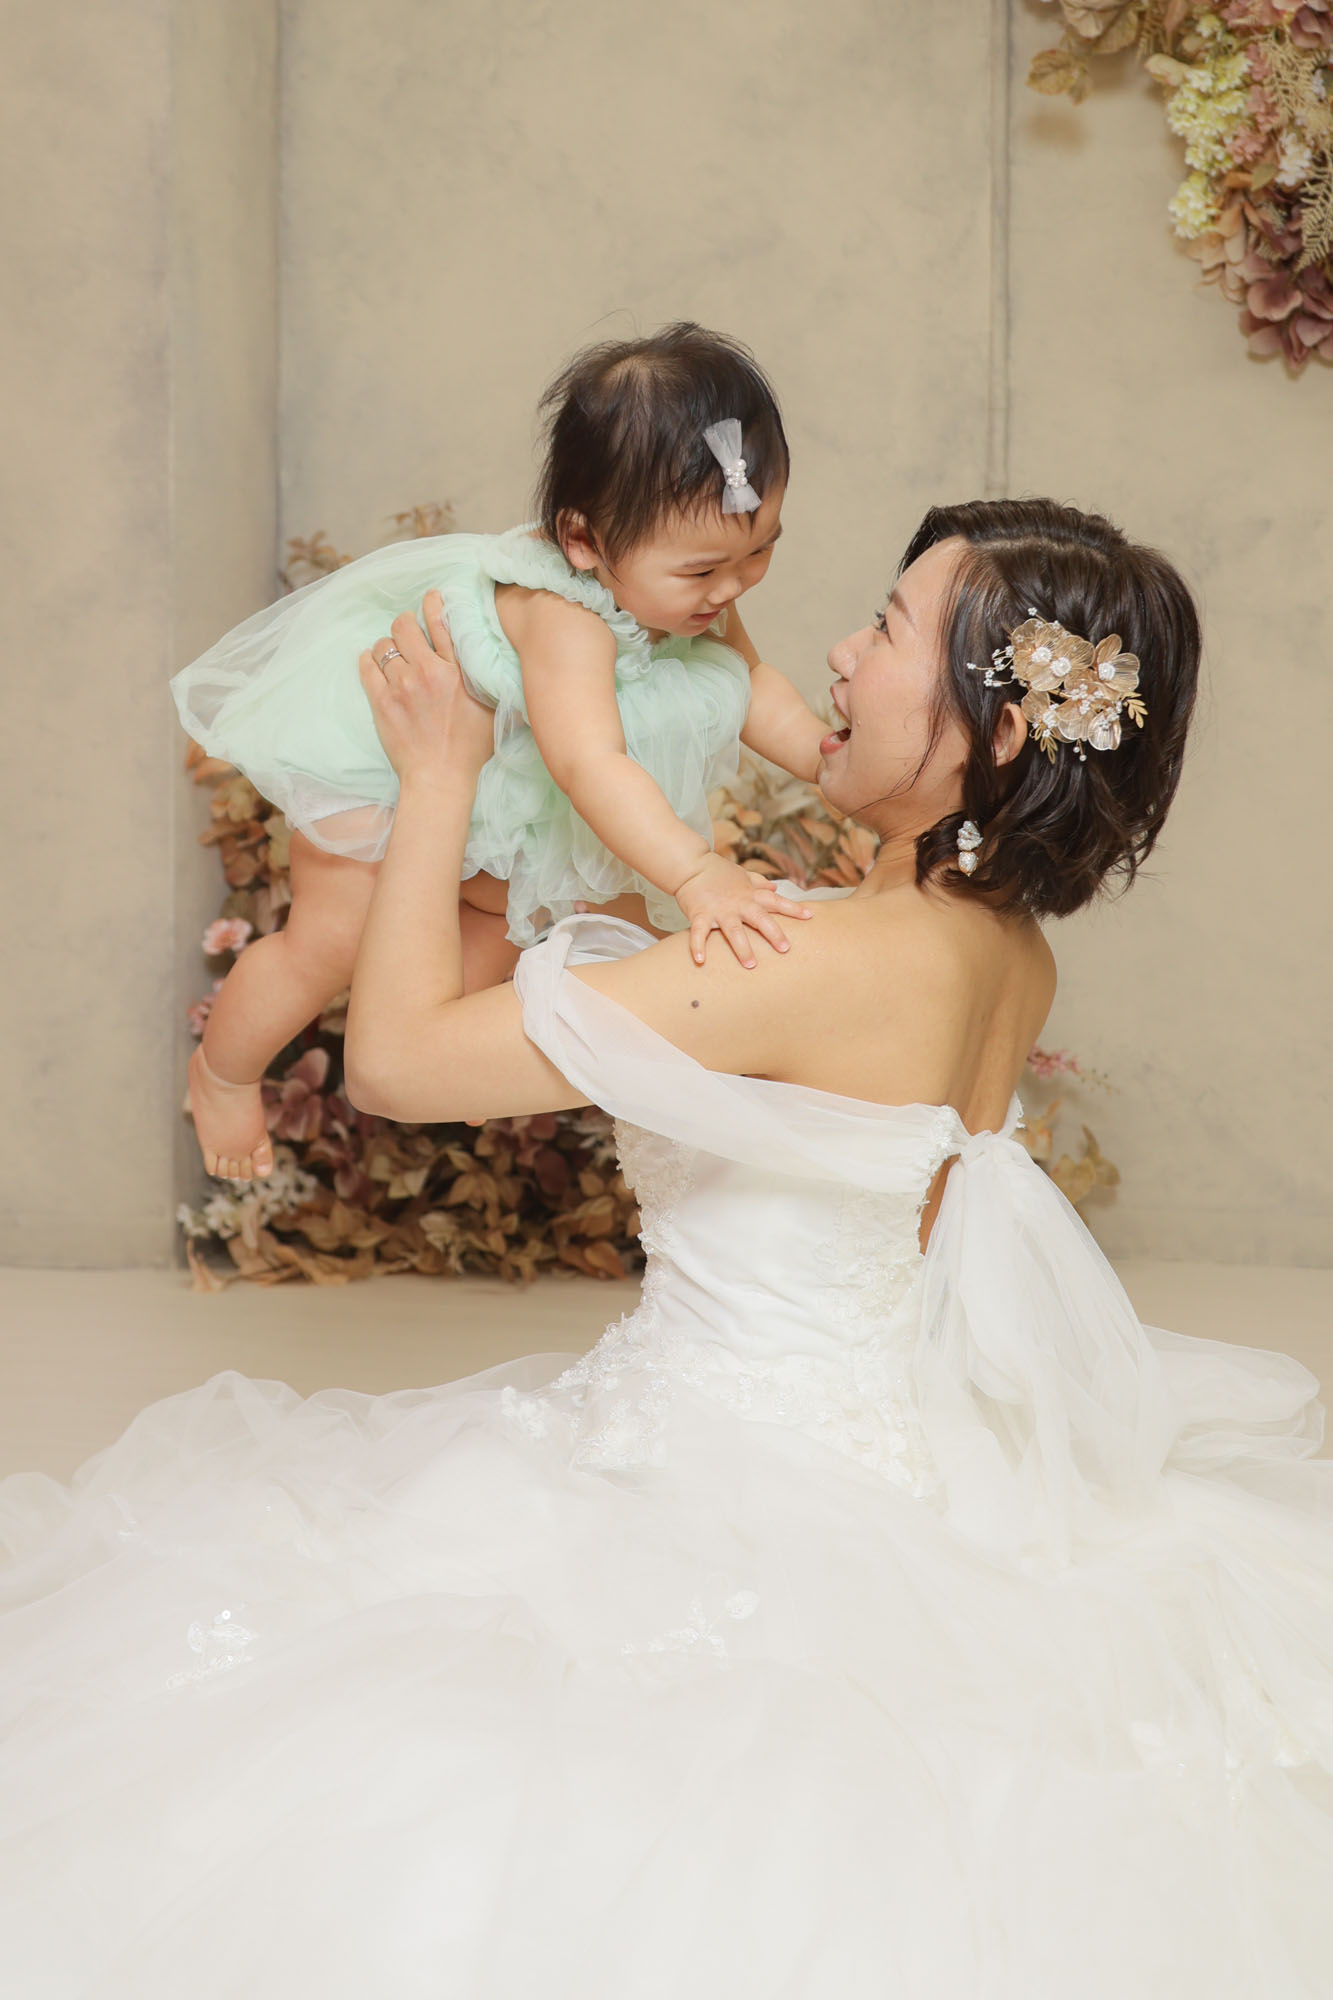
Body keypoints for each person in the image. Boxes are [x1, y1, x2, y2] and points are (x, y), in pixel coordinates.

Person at [6, 498, 1333, 1998]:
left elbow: (397, 1063)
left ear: (1001, 730)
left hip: (726, 1477)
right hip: (887, 1464)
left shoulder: (812, 964)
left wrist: (438, 779)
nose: (840, 654)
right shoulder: (999, 948)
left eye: (888, 630)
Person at [171, 322, 822, 1182]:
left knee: (492, 941)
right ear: (583, 542)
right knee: (330, 942)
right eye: (702, 571)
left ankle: (448, 1055)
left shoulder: (692, 593)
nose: (731, 588)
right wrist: (697, 874)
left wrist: (829, 756)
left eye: (761, 550)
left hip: (500, 800)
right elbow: (587, 763)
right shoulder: (566, 617)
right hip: (391, 773)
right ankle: (223, 1072)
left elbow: (751, 684)